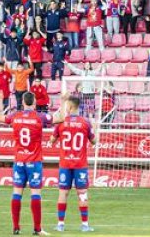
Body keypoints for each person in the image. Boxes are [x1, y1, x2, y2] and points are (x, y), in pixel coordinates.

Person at [1, 92, 55, 236]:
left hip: (19, 161)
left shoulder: (15, 116)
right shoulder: (40, 116)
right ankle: (37, 229)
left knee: (17, 192)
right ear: (35, 102)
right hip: (34, 161)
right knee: (35, 193)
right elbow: (59, 118)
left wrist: (0, 100)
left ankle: (16, 227)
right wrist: (63, 102)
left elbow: (0, 118)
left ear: (23, 102)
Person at [54, 95, 95, 233]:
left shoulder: (61, 122)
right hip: (80, 165)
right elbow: (94, 141)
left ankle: (60, 224)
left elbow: (52, 140)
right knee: (82, 193)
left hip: (65, 164)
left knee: (63, 193)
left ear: (70, 107)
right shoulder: (85, 123)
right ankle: (85, 225)